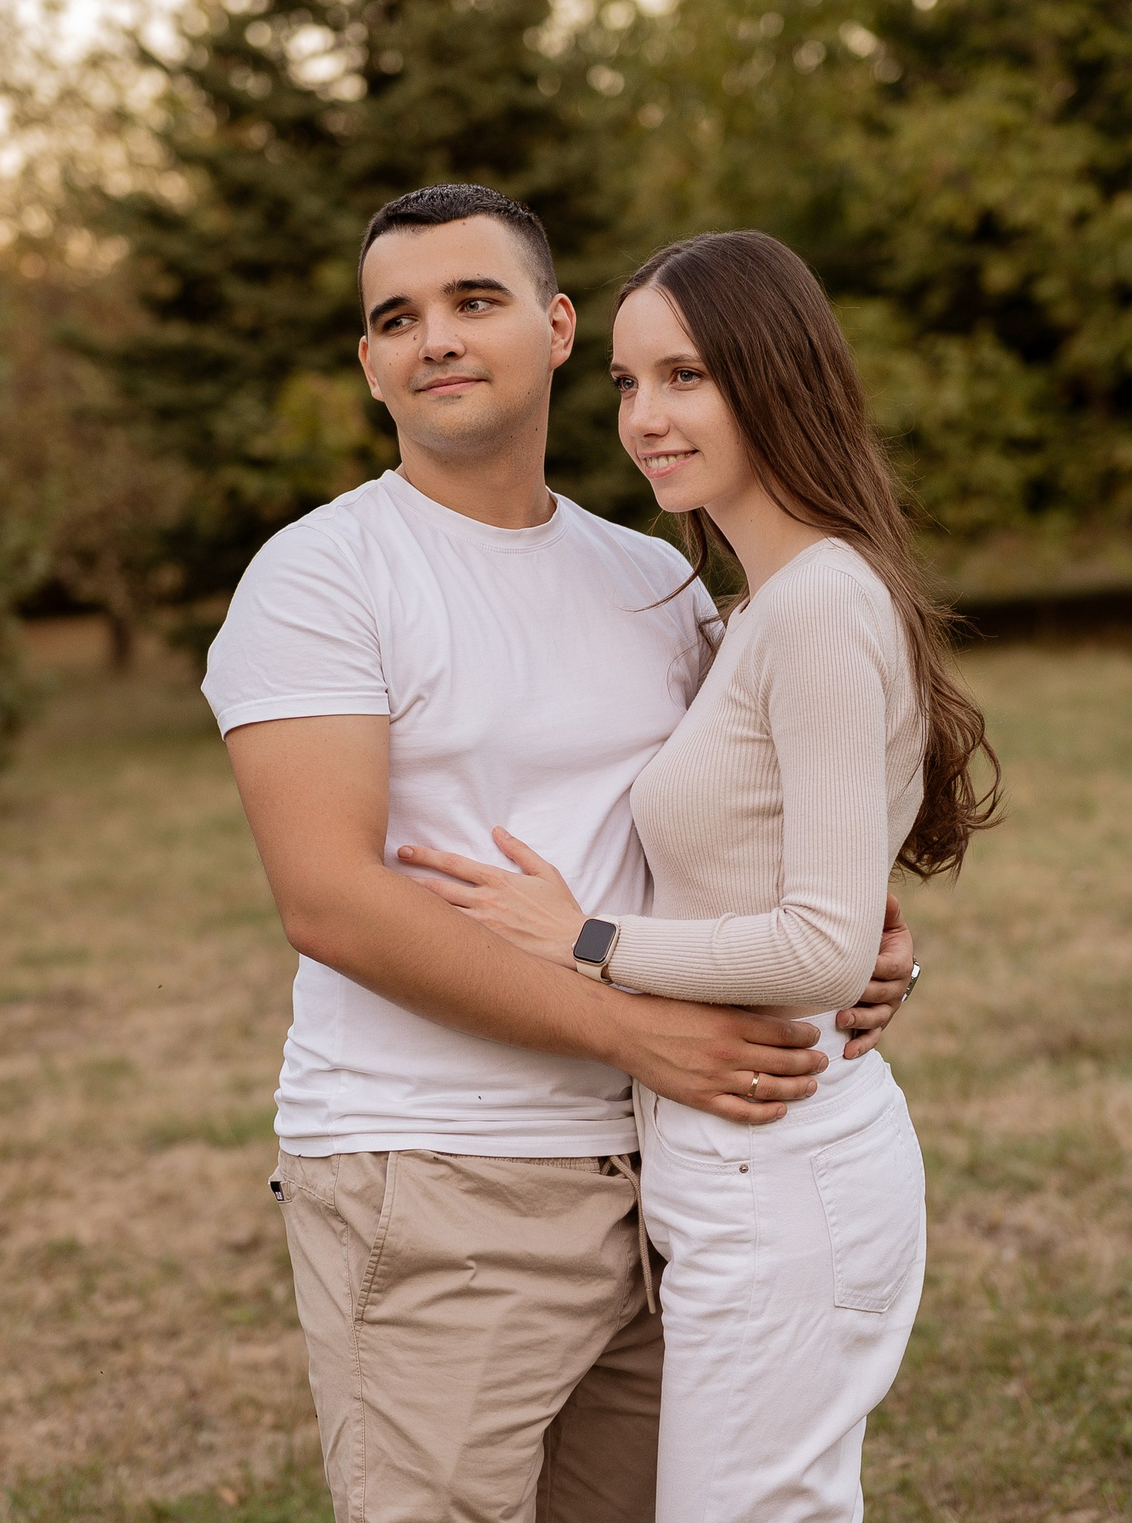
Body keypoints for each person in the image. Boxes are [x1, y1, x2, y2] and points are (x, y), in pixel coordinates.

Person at [199, 185, 921, 1523]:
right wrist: (632, 1028)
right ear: (368, 364)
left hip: (667, 1171)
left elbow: (749, 819)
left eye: (474, 301)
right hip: (435, 1176)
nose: (437, 340)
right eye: (395, 319)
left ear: (556, 325)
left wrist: (872, 946)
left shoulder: (654, 580)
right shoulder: (321, 578)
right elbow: (333, 905)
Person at [402, 230, 1001, 1521]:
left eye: (686, 377)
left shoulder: (822, 606)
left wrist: (587, 937)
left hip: (783, 1165)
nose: (646, 419)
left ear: (774, 378)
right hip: (735, 1163)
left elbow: (825, 948)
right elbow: (829, 905)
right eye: (625, 384)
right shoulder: (749, 607)